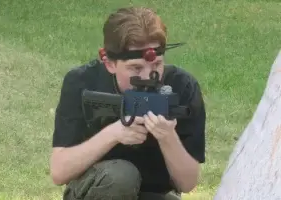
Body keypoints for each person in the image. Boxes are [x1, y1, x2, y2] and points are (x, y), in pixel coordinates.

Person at [50, 6, 206, 200]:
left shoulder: (182, 87)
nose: (148, 76)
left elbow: (187, 183)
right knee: (121, 177)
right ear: (109, 63)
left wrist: (167, 136)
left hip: (155, 193)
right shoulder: (82, 82)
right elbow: (59, 171)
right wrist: (114, 134)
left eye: (157, 64)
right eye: (135, 68)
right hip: (97, 191)